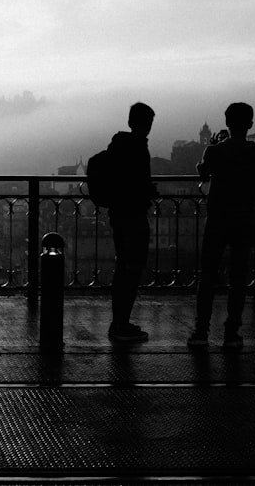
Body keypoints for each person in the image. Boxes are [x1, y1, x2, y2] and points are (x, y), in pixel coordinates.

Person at [188, 103, 255, 351]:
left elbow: (202, 171)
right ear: (251, 124)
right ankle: (232, 333)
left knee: (208, 275)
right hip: (243, 219)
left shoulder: (215, 152)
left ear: (227, 122)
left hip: (218, 218)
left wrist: (212, 145)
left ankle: (201, 331)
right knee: (238, 277)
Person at [106, 102, 158, 343]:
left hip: (118, 214)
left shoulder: (117, 145)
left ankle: (119, 322)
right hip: (134, 216)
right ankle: (121, 324)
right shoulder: (138, 149)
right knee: (132, 270)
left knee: (123, 268)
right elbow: (138, 184)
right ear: (147, 125)